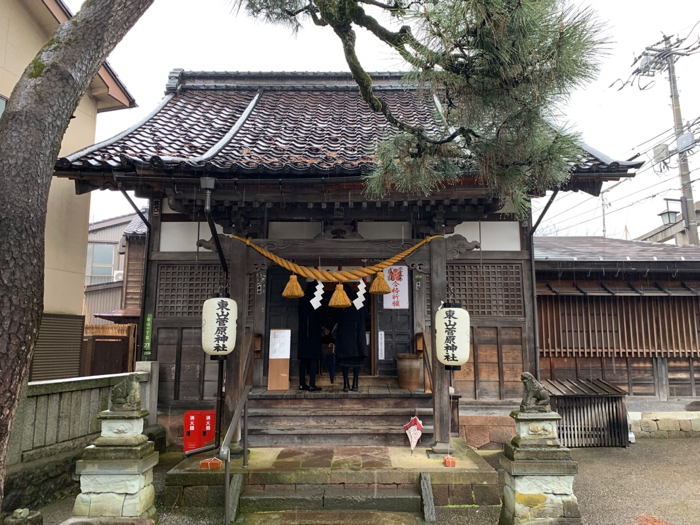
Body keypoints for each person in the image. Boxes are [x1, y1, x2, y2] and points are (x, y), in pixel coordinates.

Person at [334, 283, 368, 392]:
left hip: (344, 336)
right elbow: (366, 315)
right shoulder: (360, 301)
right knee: (356, 362)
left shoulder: (340, 302)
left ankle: (346, 384)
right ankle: (355, 384)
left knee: (344, 362)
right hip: (357, 335)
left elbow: (335, 317)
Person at [297, 281, 323, 392]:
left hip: (303, 334)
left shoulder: (302, 300)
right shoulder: (316, 301)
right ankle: (312, 384)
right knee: (313, 359)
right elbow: (320, 318)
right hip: (313, 333)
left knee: (303, 360)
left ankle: (302, 384)